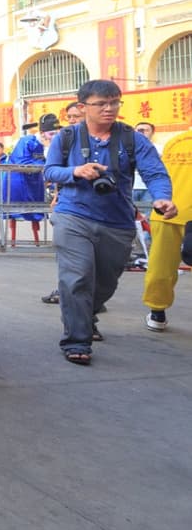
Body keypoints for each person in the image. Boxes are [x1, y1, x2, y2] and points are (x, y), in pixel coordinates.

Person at [43, 80, 176, 365]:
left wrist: (162, 198)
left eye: (115, 102)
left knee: (105, 282)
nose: (109, 109)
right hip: (73, 214)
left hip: (117, 221)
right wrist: (76, 171)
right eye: (101, 103)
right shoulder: (66, 138)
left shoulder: (132, 139)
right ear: (82, 107)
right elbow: (51, 171)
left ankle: (87, 315)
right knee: (76, 277)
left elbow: (155, 172)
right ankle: (77, 339)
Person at [141, 109, 190, 331]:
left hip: (166, 211)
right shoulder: (175, 142)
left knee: (160, 266)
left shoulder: (175, 142)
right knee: (161, 266)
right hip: (174, 211)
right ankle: (157, 310)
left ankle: (157, 311)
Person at [3, 113, 57, 247]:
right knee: (15, 211)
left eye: (55, 134)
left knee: (35, 210)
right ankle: (13, 241)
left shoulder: (47, 145)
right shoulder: (26, 141)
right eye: (51, 134)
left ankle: (37, 240)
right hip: (18, 180)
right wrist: (44, 163)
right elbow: (22, 161)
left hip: (34, 181)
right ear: (42, 133)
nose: (53, 137)